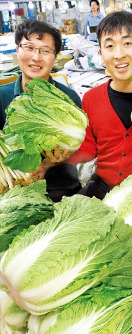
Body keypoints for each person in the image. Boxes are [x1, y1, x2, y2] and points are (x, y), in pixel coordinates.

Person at [36, 11, 132, 200]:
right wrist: (53, 160)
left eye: (127, 43)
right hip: (102, 188)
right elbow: (89, 148)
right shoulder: (91, 98)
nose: (119, 54)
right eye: (110, 46)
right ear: (101, 54)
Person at [0, 18, 82, 202]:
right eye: (28, 47)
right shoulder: (1, 97)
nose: (36, 57)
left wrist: (51, 162)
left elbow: (81, 151)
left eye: (45, 50)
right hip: (12, 195)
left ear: (56, 56)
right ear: (17, 50)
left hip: (61, 191)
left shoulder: (69, 99)